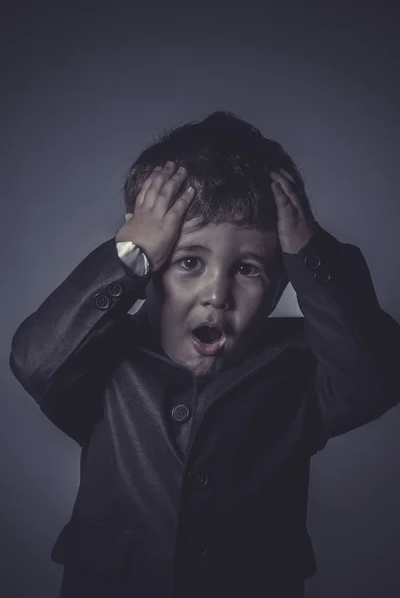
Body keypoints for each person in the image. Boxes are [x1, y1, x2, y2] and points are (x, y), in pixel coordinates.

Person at [9, 110, 400, 598]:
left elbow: (377, 378)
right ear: (150, 270)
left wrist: (308, 251)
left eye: (250, 269)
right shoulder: (103, 360)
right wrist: (126, 256)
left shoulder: (302, 370)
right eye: (189, 262)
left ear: (281, 283)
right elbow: (35, 359)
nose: (218, 294)